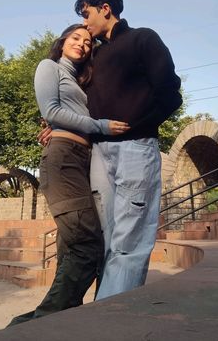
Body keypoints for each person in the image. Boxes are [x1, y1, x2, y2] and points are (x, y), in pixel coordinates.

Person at [7, 24, 129, 326]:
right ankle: (35, 325)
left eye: (88, 43)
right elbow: (52, 111)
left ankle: (55, 323)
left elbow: (68, 114)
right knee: (86, 246)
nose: (83, 45)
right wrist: (101, 126)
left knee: (71, 249)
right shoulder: (49, 67)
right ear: (62, 42)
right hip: (63, 160)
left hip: (83, 160)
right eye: (76, 38)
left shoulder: (79, 79)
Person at [73, 0, 183, 300]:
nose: (85, 23)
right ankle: (105, 316)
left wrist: (136, 126)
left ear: (105, 8)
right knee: (108, 240)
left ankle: (107, 325)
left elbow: (170, 94)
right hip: (99, 156)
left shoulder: (143, 39)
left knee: (129, 243)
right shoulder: (94, 55)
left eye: (87, 14)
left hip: (136, 149)